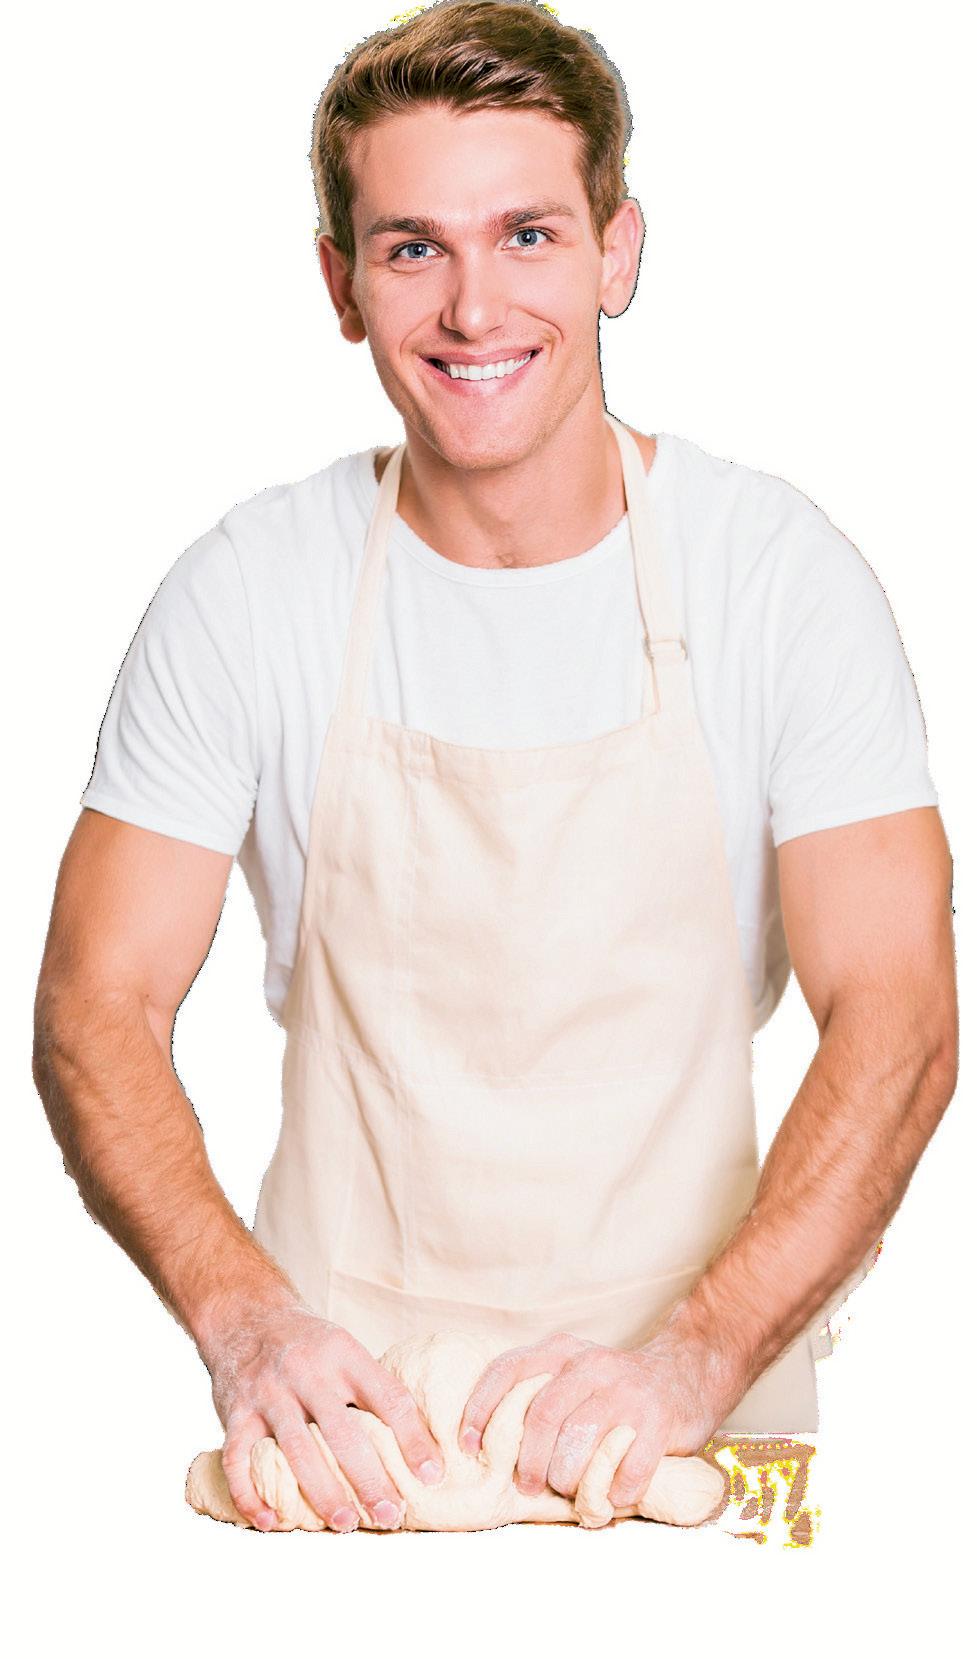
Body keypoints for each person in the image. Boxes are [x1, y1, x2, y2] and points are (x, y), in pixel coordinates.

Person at [32, 0, 957, 1536]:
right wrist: (247, 1326)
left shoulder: (777, 580)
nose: (473, 308)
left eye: (527, 235)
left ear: (615, 254)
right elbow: (94, 1005)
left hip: (702, 1424)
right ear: (341, 285)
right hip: (348, 1442)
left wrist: (693, 1360)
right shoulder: (249, 589)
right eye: (413, 249)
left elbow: (900, 1021)